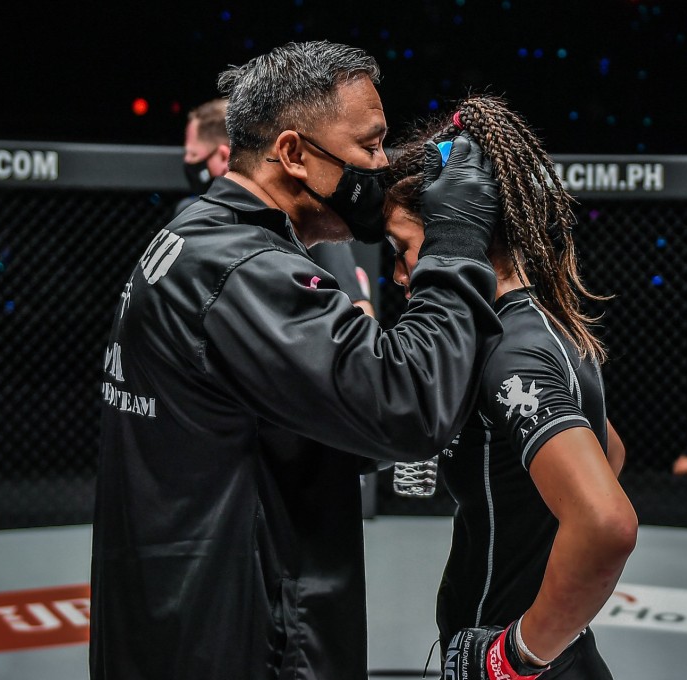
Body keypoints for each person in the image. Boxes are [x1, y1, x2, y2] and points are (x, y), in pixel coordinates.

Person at [90, 41, 503, 679]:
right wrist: (454, 243)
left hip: (184, 627)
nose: (381, 162)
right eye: (368, 145)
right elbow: (408, 406)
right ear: (293, 154)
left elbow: (311, 419)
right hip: (242, 644)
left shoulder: (201, 240)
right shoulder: (242, 271)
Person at [384, 96, 637, 680]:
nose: (399, 274)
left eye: (404, 250)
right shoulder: (532, 323)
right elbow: (609, 452)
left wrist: (515, 655)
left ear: (460, 228)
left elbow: (606, 523)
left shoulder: (512, 353)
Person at [181, 97, 376, 316]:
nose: (187, 161)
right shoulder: (191, 217)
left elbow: (360, 311)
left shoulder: (307, 219)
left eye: (193, 154)